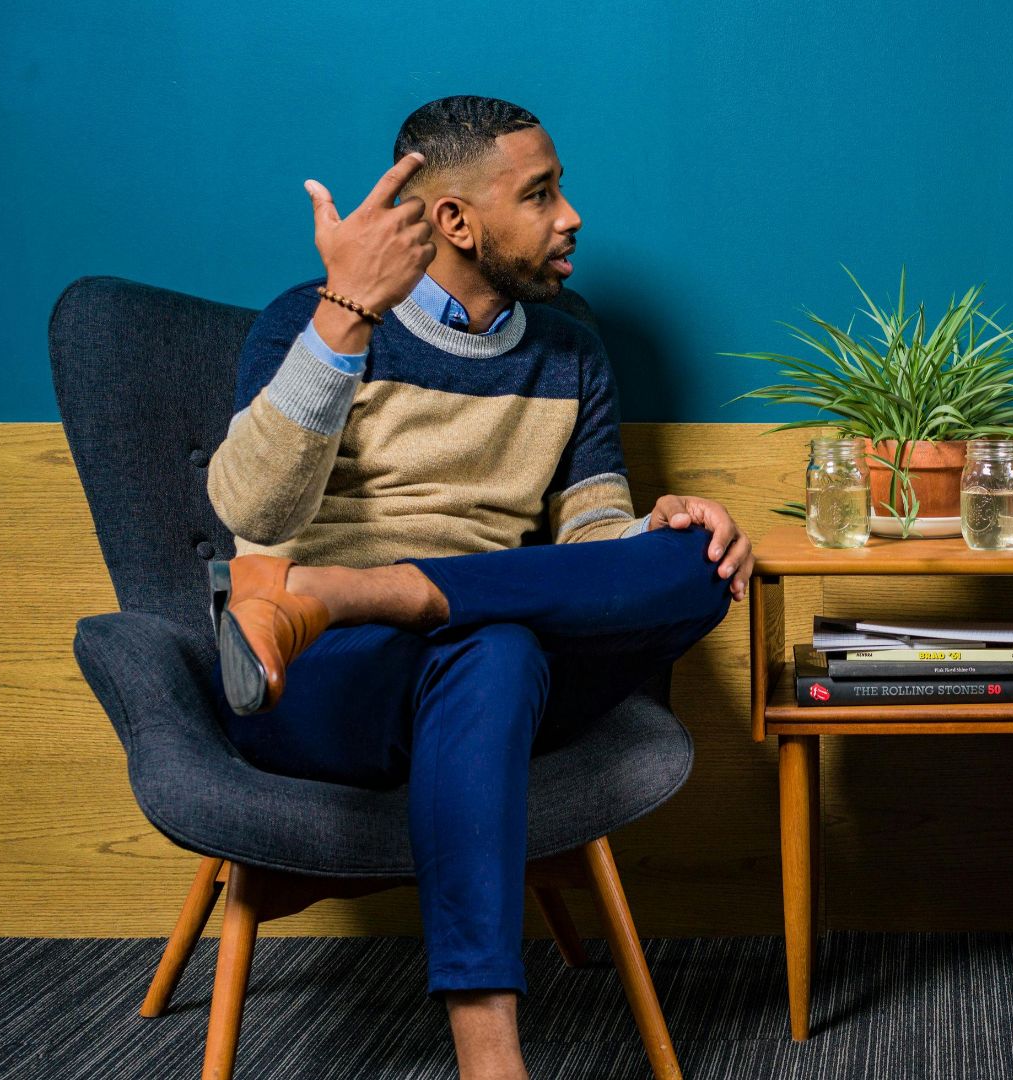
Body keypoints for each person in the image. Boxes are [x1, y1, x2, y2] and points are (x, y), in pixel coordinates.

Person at [205, 95, 756, 1080]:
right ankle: (492, 1059)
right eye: (539, 194)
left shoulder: (571, 352)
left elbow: (589, 530)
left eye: (561, 188)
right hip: (320, 676)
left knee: (695, 564)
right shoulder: (315, 318)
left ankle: (357, 589)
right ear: (455, 220)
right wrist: (344, 318)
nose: (571, 215)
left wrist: (643, 538)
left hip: (477, 651)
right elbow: (247, 506)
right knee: (497, 646)